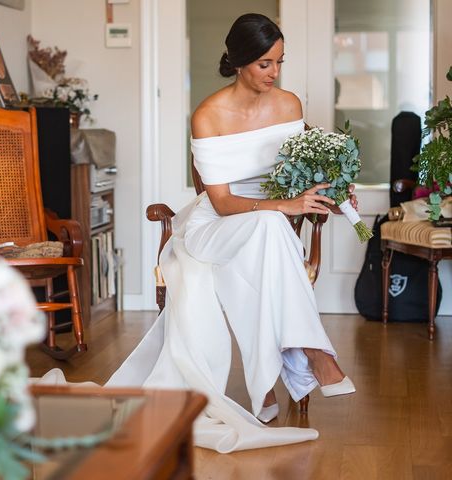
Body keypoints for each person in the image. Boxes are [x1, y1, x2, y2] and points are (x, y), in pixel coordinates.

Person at [40, 13, 356, 452]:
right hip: (215, 225)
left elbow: (297, 173)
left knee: (268, 232)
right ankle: (313, 355)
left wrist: (332, 193)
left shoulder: (289, 106)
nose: (275, 73)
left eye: (280, 62)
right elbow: (223, 203)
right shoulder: (209, 114)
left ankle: (271, 382)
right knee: (269, 224)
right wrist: (282, 206)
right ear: (241, 62)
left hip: (263, 231)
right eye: (265, 63)